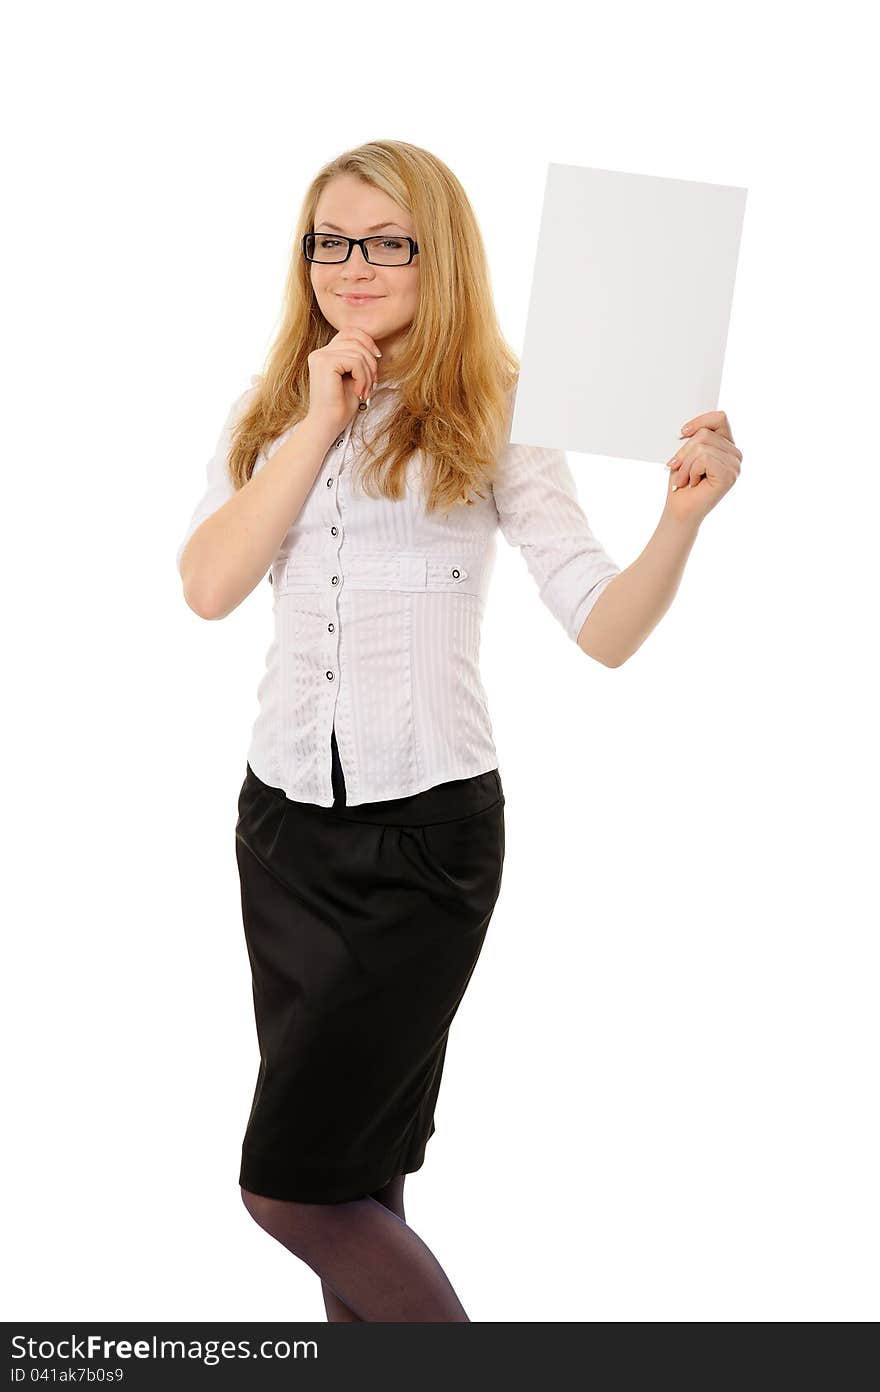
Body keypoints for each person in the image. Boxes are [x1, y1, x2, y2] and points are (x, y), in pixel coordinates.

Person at [175, 140, 743, 1322]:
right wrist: (320, 423)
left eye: (389, 241)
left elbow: (602, 625)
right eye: (331, 241)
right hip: (282, 835)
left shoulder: (494, 413)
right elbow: (211, 585)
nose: (355, 266)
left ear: (441, 256)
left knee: (289, 1194)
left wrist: (680, 522)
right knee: (354, 1180)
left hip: (426, 845)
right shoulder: (271, 410)